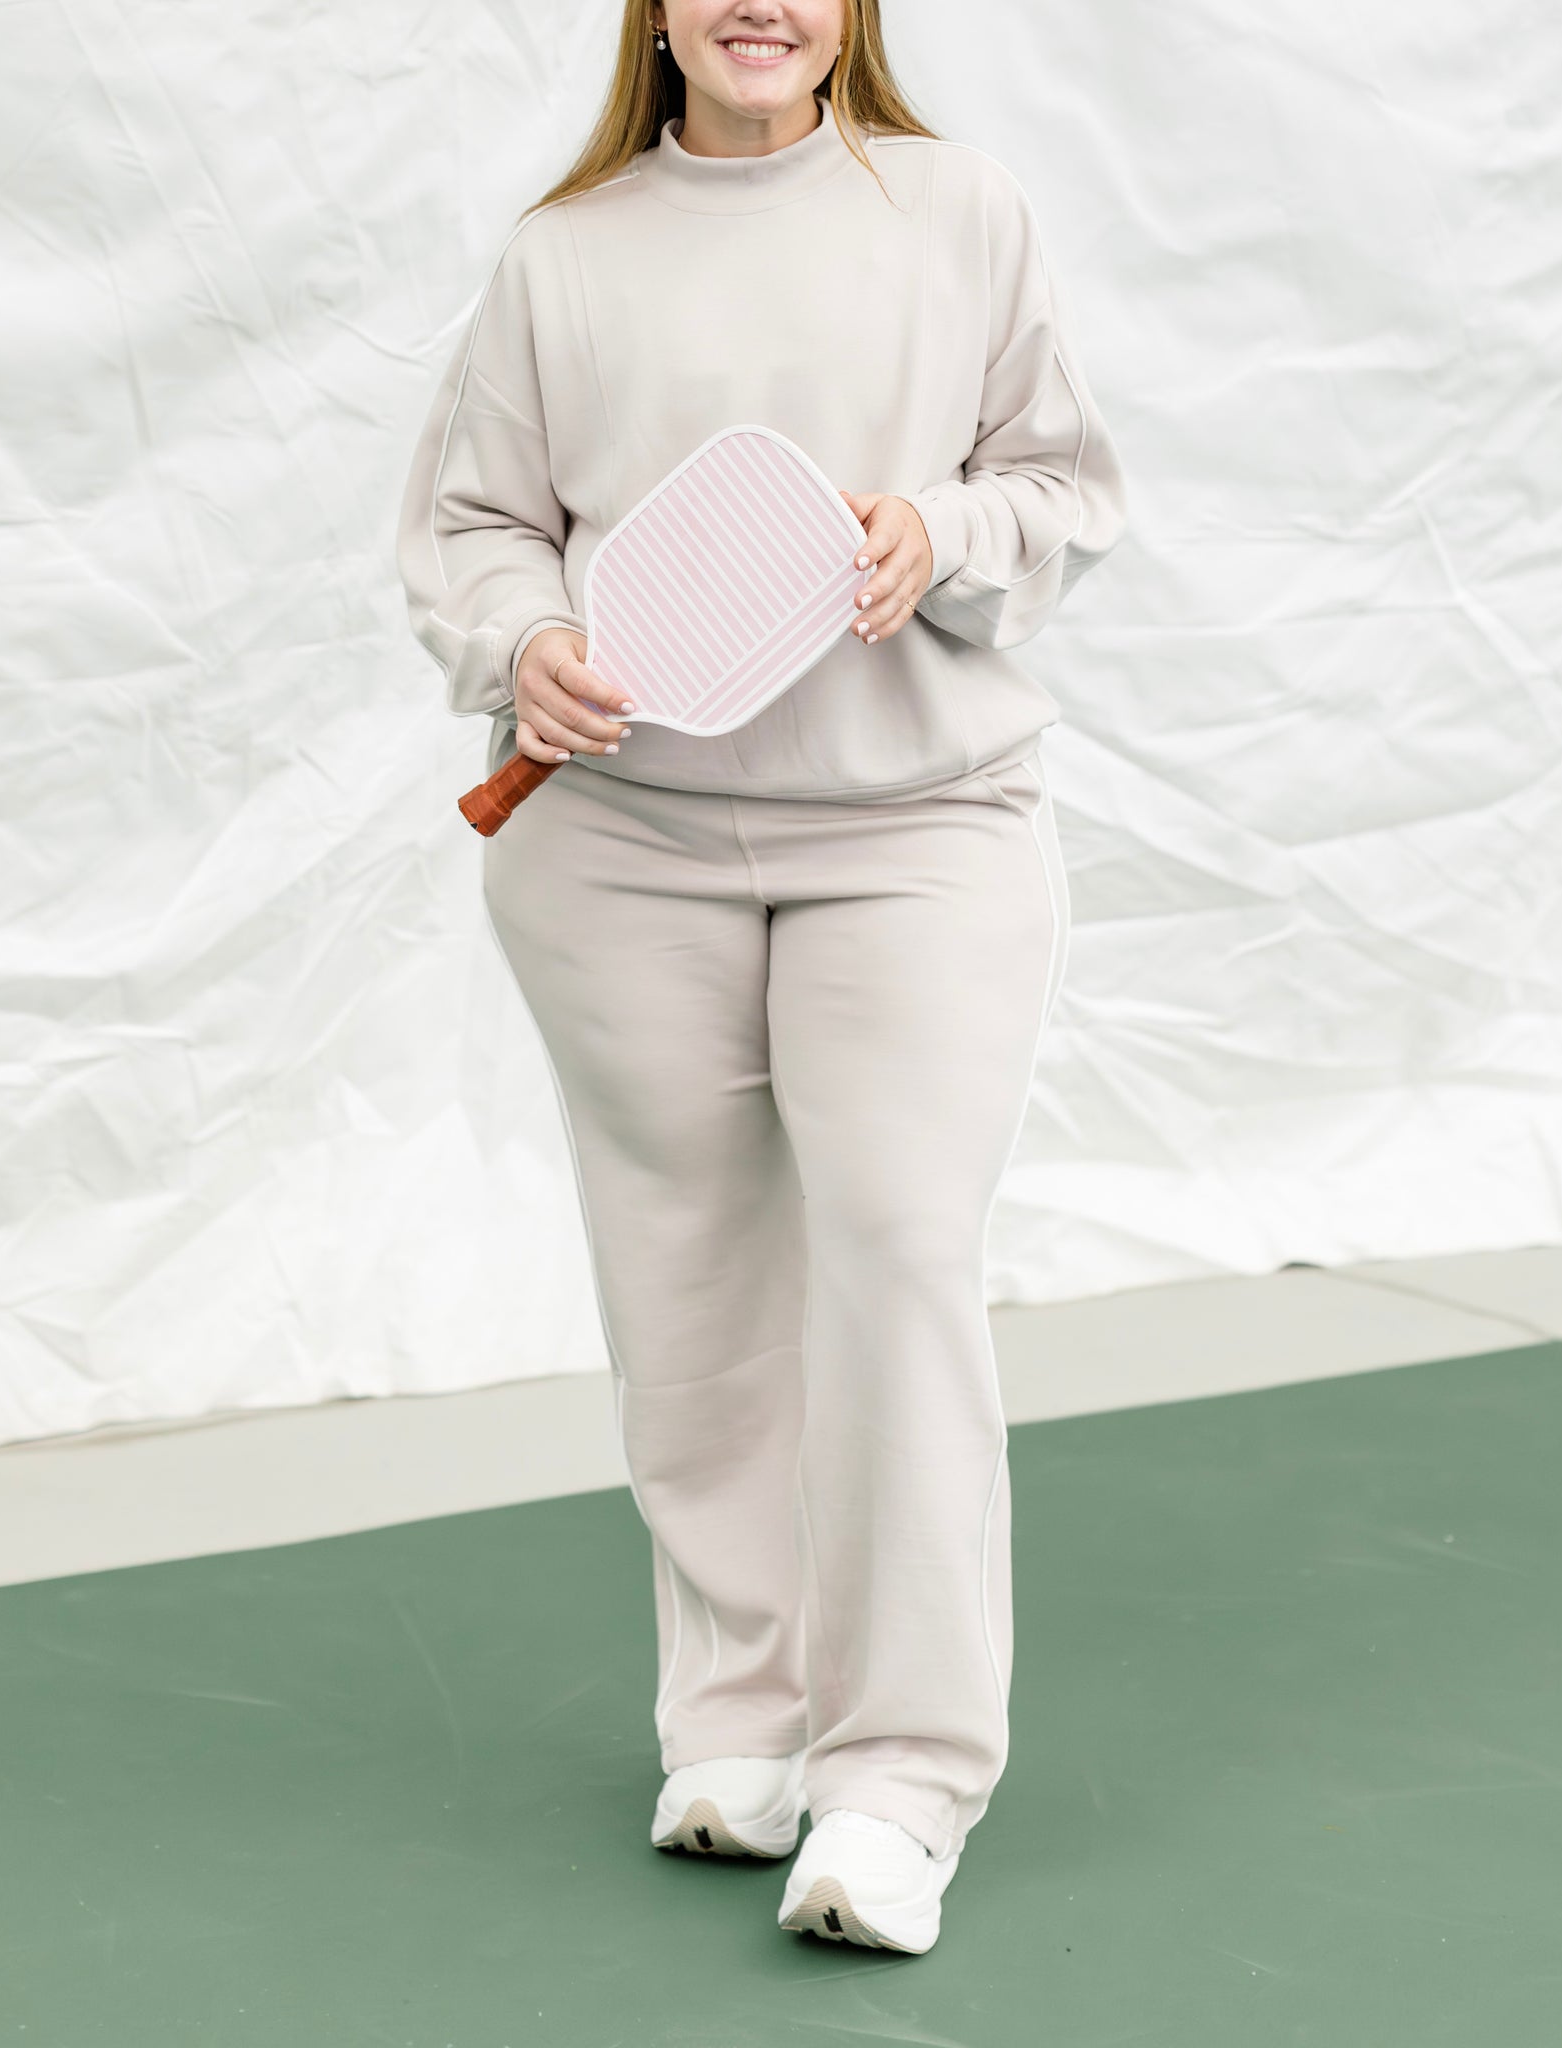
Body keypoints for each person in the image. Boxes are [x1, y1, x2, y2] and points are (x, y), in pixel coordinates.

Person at [394, 0, 1127, 1955]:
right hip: (616, 853)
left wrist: (935, 531)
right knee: (690, 1275)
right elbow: (470, 527)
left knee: (890, 1250)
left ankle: (900, 1777)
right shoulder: (565, 251)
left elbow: (1065, 486)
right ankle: (737, 1718)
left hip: (920, 831)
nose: (759, 2)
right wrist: (523, 639)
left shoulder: (960, 213)